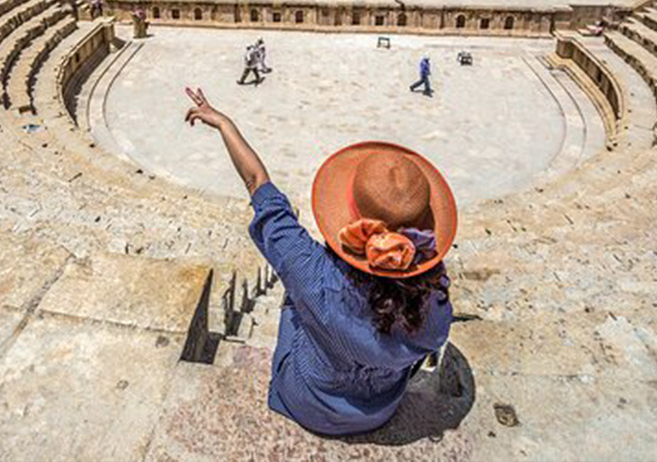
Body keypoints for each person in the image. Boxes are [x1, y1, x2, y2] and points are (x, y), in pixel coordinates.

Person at [184, 87, 456, 436]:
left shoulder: (311, 271)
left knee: (296, 293)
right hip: (379, 409)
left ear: (350, 221)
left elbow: (258, 184)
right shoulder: (436, 299)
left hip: (306, 400)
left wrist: (224, 124)